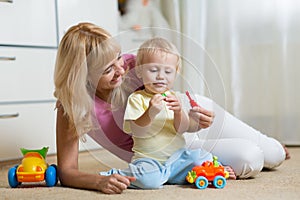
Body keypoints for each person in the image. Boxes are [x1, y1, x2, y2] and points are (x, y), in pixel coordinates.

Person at [54, 22, 289, 194]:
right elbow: (67, 171)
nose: (121, 69)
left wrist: (195, 115)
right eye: (107, 69)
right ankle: (260, 148)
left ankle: (271, 145)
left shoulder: (134, 64)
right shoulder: (74, 107)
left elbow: (173, 77)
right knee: (251, 158)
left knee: (274, 154)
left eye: (117, 57)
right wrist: (98, 181)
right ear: (83, 76)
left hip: (188, 120)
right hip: (167, 153)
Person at [100, 37, 218, 189]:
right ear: (140, 72)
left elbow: (182, 129)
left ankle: (215, 170)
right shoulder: (137, 99)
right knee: (149, 181)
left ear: (176, 73)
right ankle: (116, 174)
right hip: (149, 160)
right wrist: (150, 112)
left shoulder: (176, 98)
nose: (161, 76)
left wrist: (179, 112)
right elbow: (136, 130)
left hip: (178, 158)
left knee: (202, 157)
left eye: (168, 71)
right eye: (153, 70)